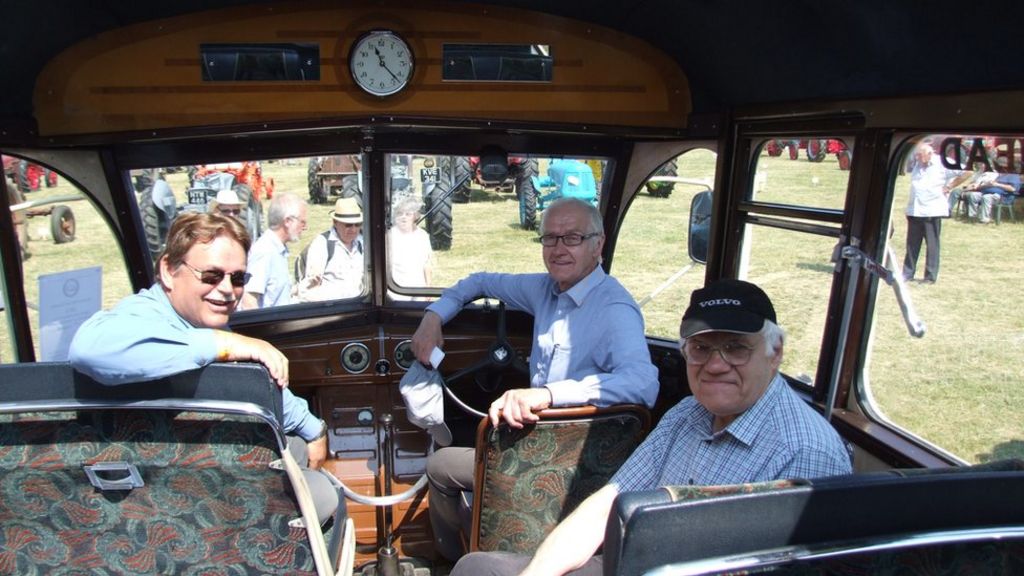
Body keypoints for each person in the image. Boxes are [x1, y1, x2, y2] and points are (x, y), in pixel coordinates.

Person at [450, 279, 852, 576]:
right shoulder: (686, 415)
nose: (715, 364)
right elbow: (607, 503)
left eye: (735, 347)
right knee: (476, 569)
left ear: (775, 351)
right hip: (634, 563)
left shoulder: (805, 455)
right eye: (701, 348)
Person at [411, 197, 659, 562]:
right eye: (549, 238)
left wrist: (548, 394)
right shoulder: (544, 289)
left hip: (579, 461)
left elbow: (642, 383)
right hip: (529, 438)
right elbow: (479, 281)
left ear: (598, 244)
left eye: (572, 238)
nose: (558, 249)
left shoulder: (614, 309)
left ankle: (449, 558)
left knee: (439, 465)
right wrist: (433, 317)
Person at [242, 192, 307, 309]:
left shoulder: (278, 250)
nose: (305, 227)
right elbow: (249, 300)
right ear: (288, 221)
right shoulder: (265, 251)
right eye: (302, 222)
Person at [903, 143, 955, 284]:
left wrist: (949, 186)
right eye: (917, 155)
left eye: (920, 155)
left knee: (932, 245)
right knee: (912, 244)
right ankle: (907, 273)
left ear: (929, 153)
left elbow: (967, 172)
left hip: (932, 210)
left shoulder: (943, 163)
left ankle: (930, 276)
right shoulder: (918, 165)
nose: (917, 158)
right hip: (915, 209)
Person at [296, 196, 365, 301]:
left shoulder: (363, 243)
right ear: (335, 222)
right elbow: (309, 289)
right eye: (348, 225)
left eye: (358, 224)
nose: (354, 229)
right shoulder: (322, 245)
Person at [388, 196, 434, 296]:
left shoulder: (423, 236)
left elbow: (427, 264)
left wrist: (428, 287)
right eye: (400, 213)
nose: (403, 217)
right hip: (396, 291)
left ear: (415, 216)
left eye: (408, 214)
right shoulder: (389, 236)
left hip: (419, 290)